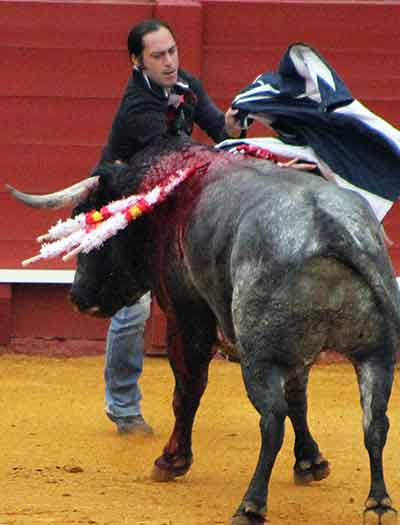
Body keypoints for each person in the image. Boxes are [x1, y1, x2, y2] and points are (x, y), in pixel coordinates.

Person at [97, 18, 241, 435]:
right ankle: (123, 406)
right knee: (133, 306)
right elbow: (175, 151)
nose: (169, 62)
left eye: (172, 51)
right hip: (128, 208)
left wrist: (234, 123)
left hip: (167, 203)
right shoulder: (136, 108)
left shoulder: (186, 85)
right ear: (136, 62)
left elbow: (219, 130)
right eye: (158, 55)